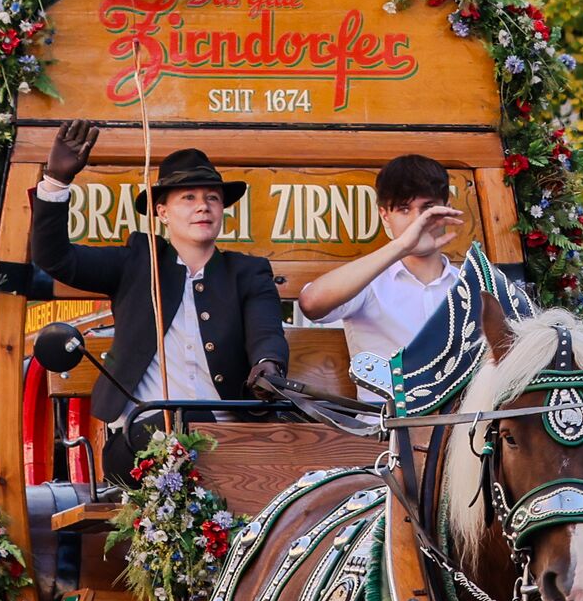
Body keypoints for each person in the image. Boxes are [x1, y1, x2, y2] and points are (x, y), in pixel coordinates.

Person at [28, 126, 290, 474]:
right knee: (186, 416)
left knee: (294, 441)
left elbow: (266, 332)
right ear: (162, 212)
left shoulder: (247, 272)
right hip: (143, 440)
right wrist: (56, 182)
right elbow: (55, 258)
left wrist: (268, 365)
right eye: (189, 198)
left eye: (212, 198)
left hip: (230, 439)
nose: (203, 206)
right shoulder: (137, 262)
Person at [288, 153, 468, 405]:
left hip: (459, 425)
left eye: (428, 208)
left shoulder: (469, 285)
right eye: (404, 209)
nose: (418, 220)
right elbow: (311, 303)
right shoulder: (369, 282)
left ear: (446, 207)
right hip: (386, 424)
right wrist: (402, 246)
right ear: (385, 216)